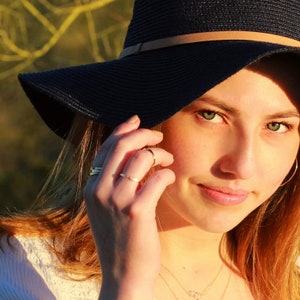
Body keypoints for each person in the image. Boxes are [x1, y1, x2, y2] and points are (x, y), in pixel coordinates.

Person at [0, 0, 300, 299]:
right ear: (140, 118)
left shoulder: (290, 284)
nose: (242, 166)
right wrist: (126, 285)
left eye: (277, 126)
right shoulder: (15, 271)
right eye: (210, 115)